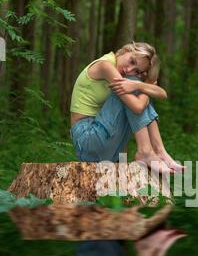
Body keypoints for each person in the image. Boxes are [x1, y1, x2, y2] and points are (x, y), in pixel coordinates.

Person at [69, 41, 185, 174]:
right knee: (132, 84)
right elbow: (138, 107)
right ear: (125, 51)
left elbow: (162, 94)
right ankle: (146, 151)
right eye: (132, 61)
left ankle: (159, 151)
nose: (129, 69)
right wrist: (142, 86)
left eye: (137, 70)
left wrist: (140, 86)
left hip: (107, 145)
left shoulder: (125, 76)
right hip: (87, 139)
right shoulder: (105, 66)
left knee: (133, 84)